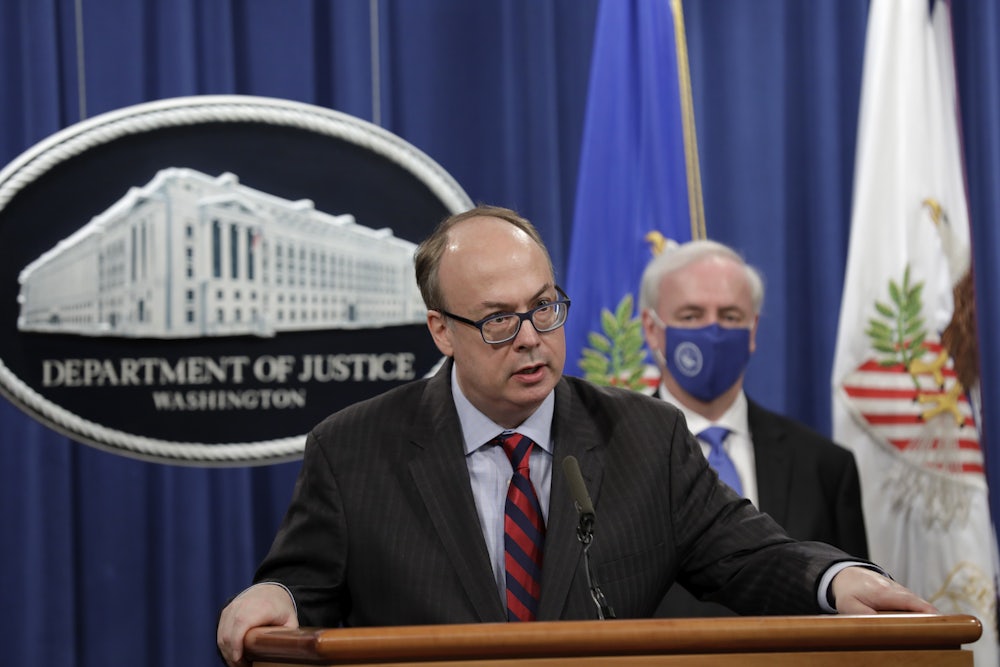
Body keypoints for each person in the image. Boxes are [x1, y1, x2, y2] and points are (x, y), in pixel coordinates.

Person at [217, 205, 933, 667]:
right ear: (441, 330)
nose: (532, 338)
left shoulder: (645, 437)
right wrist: (276, 595)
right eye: (499, 320)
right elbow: (304, 585)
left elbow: (748, 553)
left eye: (544, 307)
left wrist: (836, 579)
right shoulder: (354, 449)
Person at [637, 239, 869, 618]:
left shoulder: (824, 466)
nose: (713, 332)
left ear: (753, 329)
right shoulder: (611, 457)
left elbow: (855, 614)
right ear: (652, 328)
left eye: (730, 316)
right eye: (691, 315)